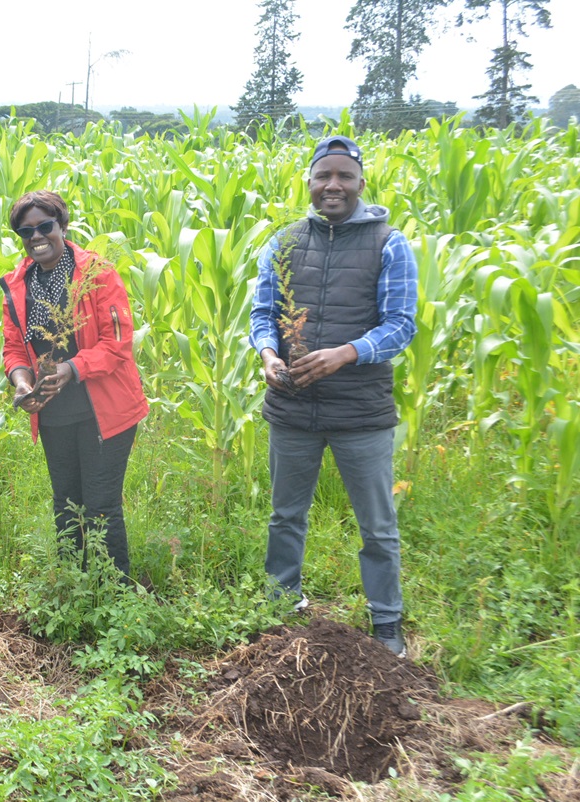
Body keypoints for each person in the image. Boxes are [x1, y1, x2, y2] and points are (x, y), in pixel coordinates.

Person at [249, 135, 418, 657]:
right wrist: (268, 355)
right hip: (293, 405)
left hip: (361, 411)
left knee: (377, 525)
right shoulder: (284, 242)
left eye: (344, 176)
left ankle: (386, 622)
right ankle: (282, 604)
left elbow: (401, 325)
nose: (334, 185)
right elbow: (263, 312)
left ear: (361, 183)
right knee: (285, 515)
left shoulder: (389, 243)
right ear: (309, 182)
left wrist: (346, 353)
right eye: (324, 175)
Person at [0, 190, 149, 578]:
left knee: (101, 505)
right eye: (26, 231)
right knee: (66, 502)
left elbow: (117, 343)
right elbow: (13, 348)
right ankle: (72, 584)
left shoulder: (97, 274)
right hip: (53, 412)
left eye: (45, 226)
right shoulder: (18, 284)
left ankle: (115, 589)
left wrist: (70, 369)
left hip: (105, 409)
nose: (36, 237)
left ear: (62, 226)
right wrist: (22, 381)